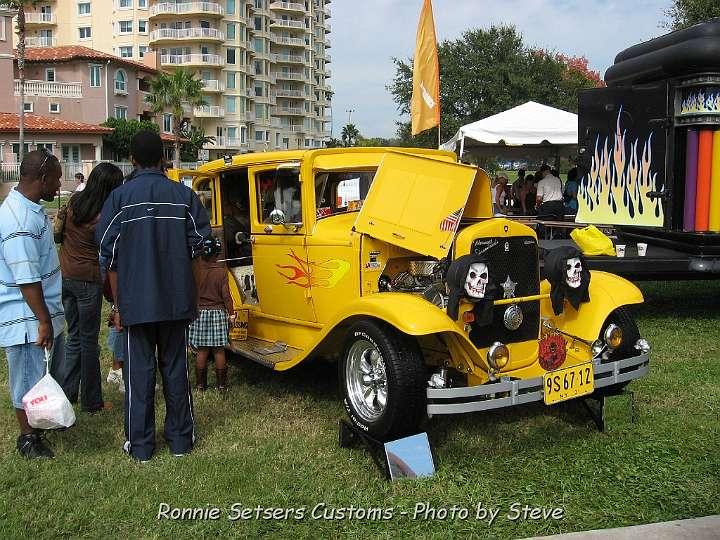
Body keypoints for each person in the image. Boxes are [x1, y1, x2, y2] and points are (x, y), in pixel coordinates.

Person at [96, 131, 210, 462]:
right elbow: (201, 251)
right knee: (176, 371)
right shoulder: (183, 196)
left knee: (139, 376)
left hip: (136, 304)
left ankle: (141, 447)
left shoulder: (118, 199)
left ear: (131, 159)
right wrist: (194, 297)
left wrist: (118, 306)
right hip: (176, 302)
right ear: (162, 158)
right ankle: (180, 442)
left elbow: (109, 258)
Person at [0, 149, 65, 458]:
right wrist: (43, 320)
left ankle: (41, 424)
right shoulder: (19, 220)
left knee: (39, 375)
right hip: (27, 316)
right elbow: (26, 277)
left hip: (39, 312)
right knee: (27, 378)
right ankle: (28, 438)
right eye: (56, 178)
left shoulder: (29, 209)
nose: (59, 184)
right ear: (42, 179)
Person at [53, 163, 122, 413]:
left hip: (65, 276)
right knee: (89, 342)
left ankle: (67, 393)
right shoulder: (103, 214)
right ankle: (92, 401)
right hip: (87, 280)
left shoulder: (75, 201)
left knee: (74, 338)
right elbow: (109, 250)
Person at [189, 235, 234, 391]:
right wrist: (232, 313)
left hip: (199, 313)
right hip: (218, 313)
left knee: (202, 350)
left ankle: (200, 385)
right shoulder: (221, 272)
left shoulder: (195, 271)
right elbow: (226, 296)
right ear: (217, 254)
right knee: (219, 350)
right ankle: (221, 385)